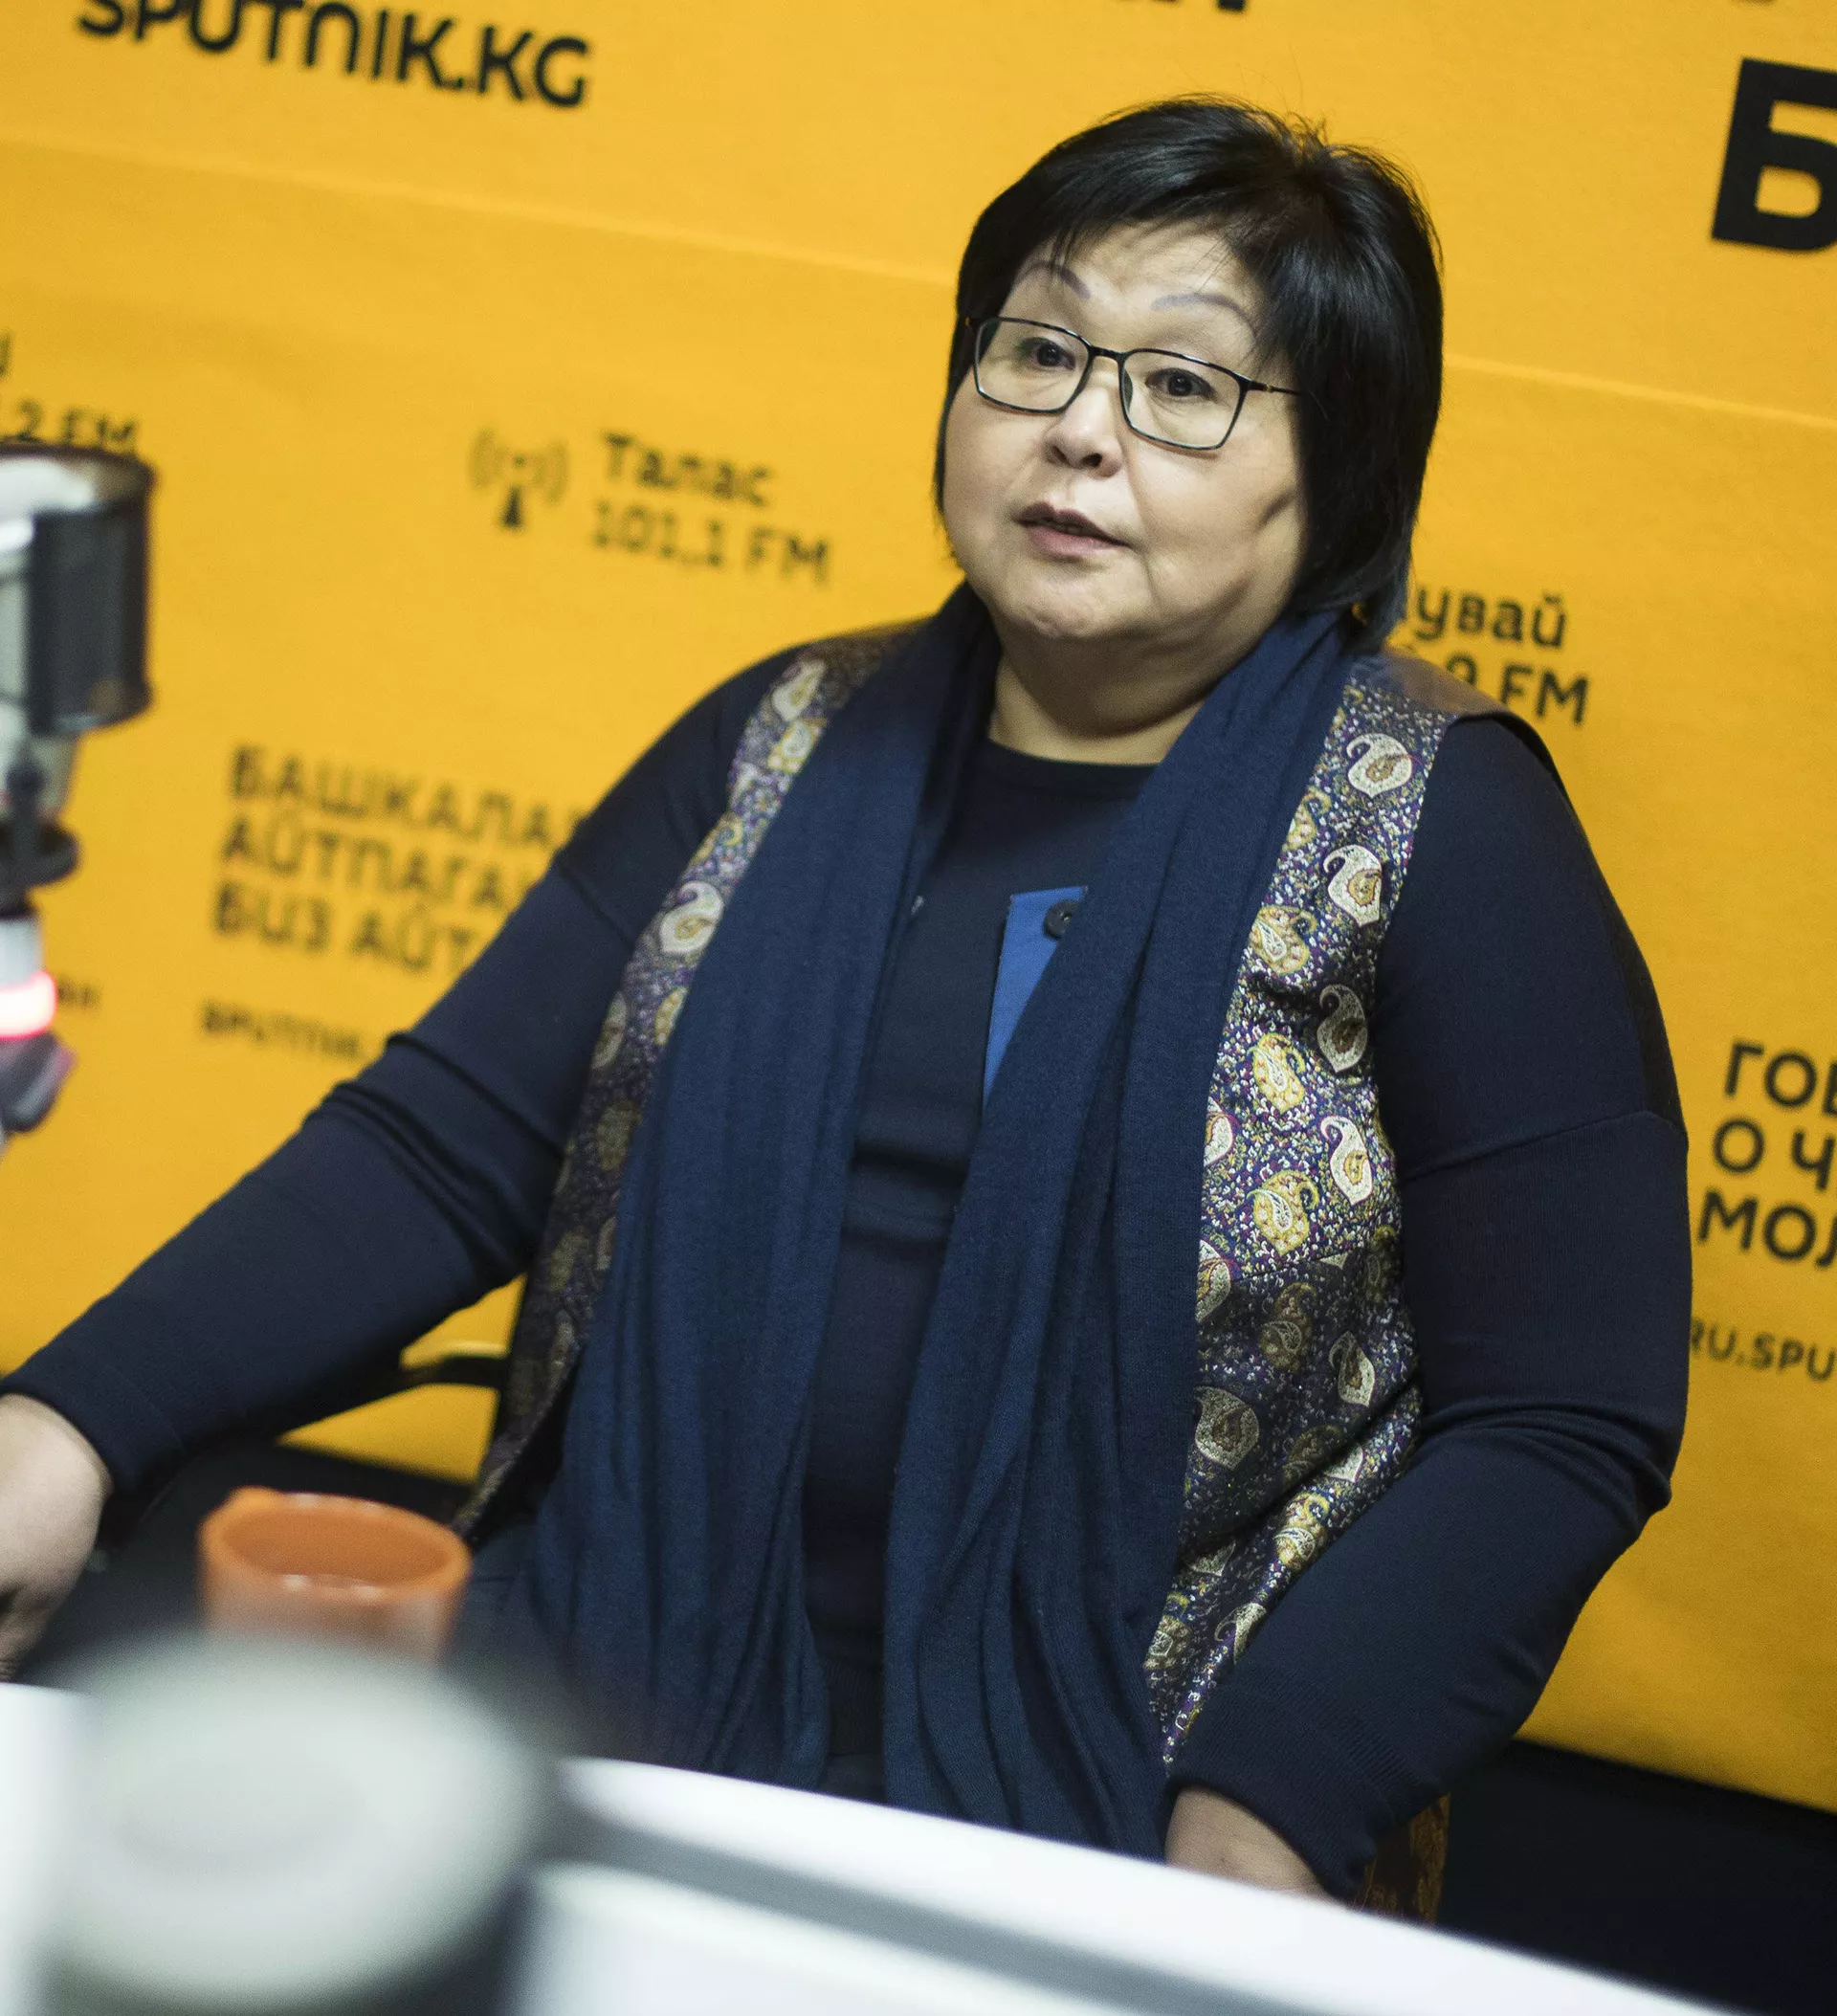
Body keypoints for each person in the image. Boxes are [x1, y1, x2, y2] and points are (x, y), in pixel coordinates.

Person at [0, 99, 1689, 1909]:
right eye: (1035, 352)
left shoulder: (1435, 820)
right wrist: (72, 1419)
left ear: (1338, 476)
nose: (1080, 428)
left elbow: (1561, 1413)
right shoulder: (780, 733)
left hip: (1132, 1803)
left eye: (1185, 387)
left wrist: (1270, 1801)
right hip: (609, 1713)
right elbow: (442, 1150)